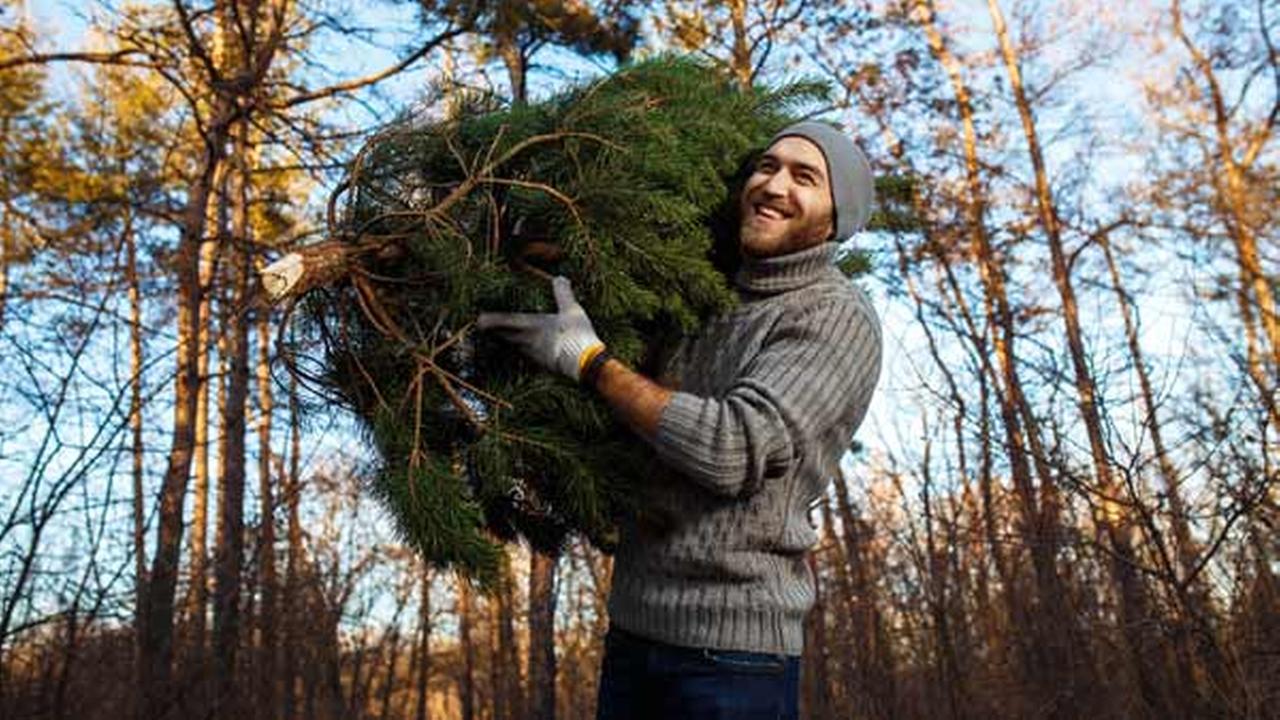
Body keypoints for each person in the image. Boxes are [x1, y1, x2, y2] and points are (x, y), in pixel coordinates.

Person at [478, 120, 882, 720]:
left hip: (733, 661)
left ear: (836, 217)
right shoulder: (707, 294)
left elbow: (732, 449)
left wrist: (591, 362)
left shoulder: (834, 316)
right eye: (766, 167)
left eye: (806, 177)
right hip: (635, 636)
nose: (773, 185)